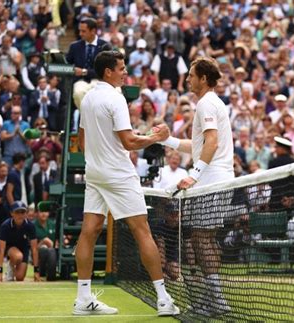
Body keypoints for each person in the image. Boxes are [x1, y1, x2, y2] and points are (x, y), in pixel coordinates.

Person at [75, 50, 178, 316]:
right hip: (118, 174)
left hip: (95, 173)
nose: (125, 72)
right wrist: (157, 136)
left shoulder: (87, 100)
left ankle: (83, 299)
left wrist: (99, 159)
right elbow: (129, 142)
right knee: (141, 230)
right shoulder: (116, 98)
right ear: (108, 71)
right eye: (121, 68)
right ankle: (164, 299)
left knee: (89, 230)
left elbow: (82, 142)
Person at [159, 57, 234, 315]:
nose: (188, 79)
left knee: (202, 238)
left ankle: (217, 301)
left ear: (203, 78)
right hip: (217, 177)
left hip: (212, 179)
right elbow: (200, 145)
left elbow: (211, 142)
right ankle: (214, 298)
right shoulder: (211, 103)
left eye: (191, 75)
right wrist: (167, 140)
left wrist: (195, 173)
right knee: (205, 238)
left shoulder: (206, 103)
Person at [0, 201, 40, 282]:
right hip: (10, 248)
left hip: (24, 249)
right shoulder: (5, 226)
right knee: (18, 256)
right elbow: (1, 250)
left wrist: (36, 272)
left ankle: (14, 268)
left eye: (22, 212)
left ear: (26, 213)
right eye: (17, 212)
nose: (20, 215)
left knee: (20, 277)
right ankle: (10, 266)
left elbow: (34, 249)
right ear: (12, 213)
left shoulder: (30, 226)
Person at [34, 209, 57, 281]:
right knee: (45, 248)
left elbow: (58, 239)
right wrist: (43, 241)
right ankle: (42, 270)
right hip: (38, 252)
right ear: (37, 213)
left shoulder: (53, 224)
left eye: (46, 211)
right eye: (41, 211)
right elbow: (33, 247)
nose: (43, 214)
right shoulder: (33, 225)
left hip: (54, 250)